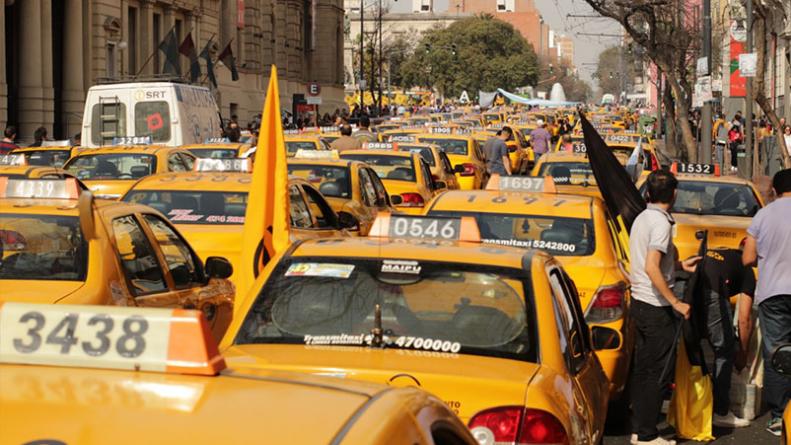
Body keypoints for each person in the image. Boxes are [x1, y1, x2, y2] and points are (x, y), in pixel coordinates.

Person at [629, 169, 700, 445]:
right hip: (656, 305)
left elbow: (651, 262)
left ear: (648, 192)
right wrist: (676, 302)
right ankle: (647, 435)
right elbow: (650, 266)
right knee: (658, 371)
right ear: (673, 194)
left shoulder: (643, 218)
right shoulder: (660, 224)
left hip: (641, 301)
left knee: (645, 368)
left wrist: (680, 266)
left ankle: (640, 429)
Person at [742, 168, 791, 437]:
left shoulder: (763, 215)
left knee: (777, 353)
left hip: (773, 293)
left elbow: (748, 258)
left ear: (774, 190)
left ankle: (778, 415)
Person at [698, 246, 754, 428]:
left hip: (687, 283)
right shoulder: (747, 270)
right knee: (725, 350)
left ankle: (681, 402)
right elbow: (744, 319)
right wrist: (743, 353)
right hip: (713, 290)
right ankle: (720, 412)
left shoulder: (723, 254)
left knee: (689, 345)